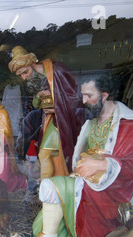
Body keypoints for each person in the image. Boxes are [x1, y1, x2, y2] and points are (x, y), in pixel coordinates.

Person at [27, 74, 133, 237]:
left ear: (105, 94)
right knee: (52, 188)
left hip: (108, 190)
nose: (84, 101)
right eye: (82, 95)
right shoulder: (90, 123)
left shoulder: (131, 124)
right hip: (84, 181)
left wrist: (102, 164)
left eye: (89, 96)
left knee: (52, 185)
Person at [8, 46, 86, 180]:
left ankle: (53, 186)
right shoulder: (37, 80)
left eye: (25, 72)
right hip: (51, 122)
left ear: (32, 64)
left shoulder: (57, 71)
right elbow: (36, 105)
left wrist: (57, 108)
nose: (24, 77)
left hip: (63, 123)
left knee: (56, 155)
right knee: (46, 154)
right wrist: (38, 96)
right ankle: (49, 187)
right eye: (20, 75)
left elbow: (75, 99)